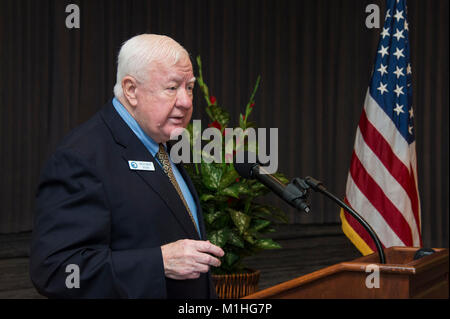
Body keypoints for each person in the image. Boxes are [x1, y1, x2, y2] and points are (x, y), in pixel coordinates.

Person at [29, 34, 224, 298]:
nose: (187, 101)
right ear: (131, 90)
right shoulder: (81, 158)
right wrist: (159, 263)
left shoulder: (163, 141)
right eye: (172, 88)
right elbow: (57, 270)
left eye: (189, 87)